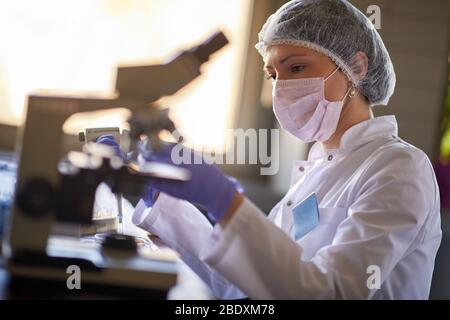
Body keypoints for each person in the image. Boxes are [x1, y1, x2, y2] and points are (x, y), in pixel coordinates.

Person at [100, 0, 442, 299]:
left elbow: (335, 293)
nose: (282, 87)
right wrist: (161, 199)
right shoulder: (317, 171)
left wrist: (226, 201)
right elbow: (246, 288)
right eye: (272, 74)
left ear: (357, 67)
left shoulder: (399, 167)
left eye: (296, 67)